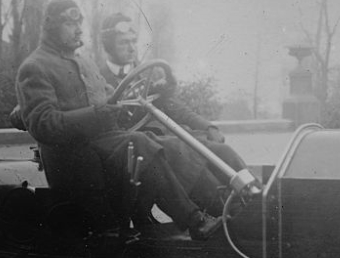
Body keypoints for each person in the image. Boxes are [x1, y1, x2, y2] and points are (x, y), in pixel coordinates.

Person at [15, 0, 222, 240]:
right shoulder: (35, 66)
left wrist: (153, 93)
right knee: (140, 142)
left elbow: (110, 99)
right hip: (72, 156)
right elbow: (43, 124)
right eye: (70, 24)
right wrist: (94, 115)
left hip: (102, 146)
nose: (79, 29)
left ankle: (220, 208)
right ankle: (193, 220)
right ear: (50, 25)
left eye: (80, 22)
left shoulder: (85, 63)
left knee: (172, 145)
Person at [98, 12, 248, 216]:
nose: (132, 48)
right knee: (192, 165)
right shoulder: (97, 80)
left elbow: (173, 106)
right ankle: (228, 214)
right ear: (108, 45)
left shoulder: (143, 73)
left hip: (165, 139)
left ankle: (255, 199)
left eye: (134, 41)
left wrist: (206, 126)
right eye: (124, 42)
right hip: (142, 149)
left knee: (223, 152)